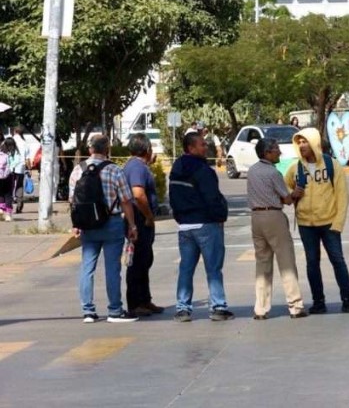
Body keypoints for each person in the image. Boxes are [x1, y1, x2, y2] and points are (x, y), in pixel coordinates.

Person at [284, 127, 349, 314]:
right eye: (299, 142)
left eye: (305, 142)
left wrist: (338, 223)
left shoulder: (332, 165)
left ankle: (348, 300)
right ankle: (318, 301)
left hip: (329, 223)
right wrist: (292, 194)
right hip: (306, 224)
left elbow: (342, 196)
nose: (302, 146)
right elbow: (284, 190)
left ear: (314, 143)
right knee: (312, 263)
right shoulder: (295, 168)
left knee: (338, 261)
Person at [68, 135, 139, 323]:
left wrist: (75, 224)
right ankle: (115, 310)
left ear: (90, 149)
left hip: (87, 225)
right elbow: (126, 201)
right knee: (112, 268)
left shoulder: (78, 170)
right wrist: (132, 225)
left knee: (87, 267)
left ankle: (88, 311)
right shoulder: (114, 170)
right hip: (112, 223)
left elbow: (73, 201)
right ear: (107, 150)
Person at [169, 132, 233, 322]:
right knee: (213, 268)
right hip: (206, 224)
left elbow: (173, 196)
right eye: (202, 145)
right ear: (191, 148)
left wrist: (180, 217)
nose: (206, 147)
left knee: (186, 268)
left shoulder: (176, 168)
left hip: (185, 226)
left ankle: (182, 308)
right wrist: (220, 216)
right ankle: (218, 307)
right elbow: (212, 197)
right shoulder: (203, 170)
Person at [247, 137, 307, 320]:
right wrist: (296, 193)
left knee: (262, 263)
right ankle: (295, 306)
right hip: (273, 216)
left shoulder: (252, 171)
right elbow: (287, 199)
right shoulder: (273, 173)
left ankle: (261, 308)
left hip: (256, 217)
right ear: (267, 153)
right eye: (276, 149)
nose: (279, 152)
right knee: (286, 261)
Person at [123, 133, 163, 317]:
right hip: (139, 219)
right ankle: (135, 303)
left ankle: (145, 299)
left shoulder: (137, 166)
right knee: (138, 262)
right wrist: (148, 216)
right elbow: (138, 194)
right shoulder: (137, 168)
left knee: (145, 259)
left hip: (141, 219)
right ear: (147, 149)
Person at [0, 138, 21, 222]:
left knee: (1, 193)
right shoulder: (14, 152)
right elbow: (17, 162)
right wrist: (10, 168)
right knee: (8, 194)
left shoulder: (1, 150)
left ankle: (1, 208)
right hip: (9, 176)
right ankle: (8, 215)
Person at [11, 126, 30, 214]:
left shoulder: (10, 141)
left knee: (9, 186)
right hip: (21, 167)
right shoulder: (24, 142)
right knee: (19, 186)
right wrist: (29, 169)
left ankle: (8, 206)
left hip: (10, 167)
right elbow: (27, 159)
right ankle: (19, 205)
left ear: (15, 131)